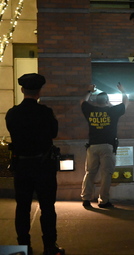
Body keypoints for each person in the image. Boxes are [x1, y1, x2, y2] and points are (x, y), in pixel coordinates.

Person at [5, 73, 65, 255]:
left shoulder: (12, 113)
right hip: (43, 166)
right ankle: (49, 246)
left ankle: (23, 247)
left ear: (22, 90)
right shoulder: (45, 112)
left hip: (22, 166)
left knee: (22, 208)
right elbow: (54, 133)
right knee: (48, 207)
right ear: (39, 92)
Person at [81, 83, 128, 208]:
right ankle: (103, 201)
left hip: (92, 146)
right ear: (107, 100)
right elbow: (125, 102)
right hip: (108, 146)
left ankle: (86, 198)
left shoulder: (90, 110)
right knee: (106, 174)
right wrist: (123, 91)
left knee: (90, 172)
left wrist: (89, 90)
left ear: (96, 101)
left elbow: (83, 102)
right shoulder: (112, 111)